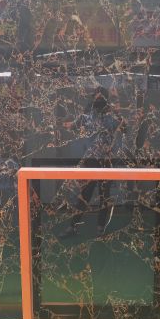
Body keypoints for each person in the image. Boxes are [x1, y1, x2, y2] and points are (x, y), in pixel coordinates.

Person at [59, 86, 125, 238]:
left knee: (104, 196)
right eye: (96, 96)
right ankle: (73, 226)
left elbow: (124, 127)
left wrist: (117, 108)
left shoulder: (111, 118)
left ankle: (100, 228)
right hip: (91, 162)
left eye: (101, 96)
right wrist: (61, 123)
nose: (98, 98)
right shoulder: (87, 117)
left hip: (106, 161)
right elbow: (72, 126)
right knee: (85, 195)